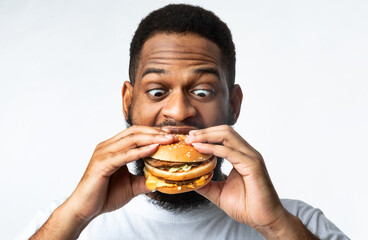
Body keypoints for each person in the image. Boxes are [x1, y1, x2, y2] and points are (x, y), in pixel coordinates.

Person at [17, 4, 349, 240]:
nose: (178, 112)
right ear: (128, 102)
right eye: (158, 91)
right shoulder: (64, 223)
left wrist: (275, 225)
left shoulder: (299, 223)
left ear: (232, 106)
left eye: (202, 91)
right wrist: (76, 216)